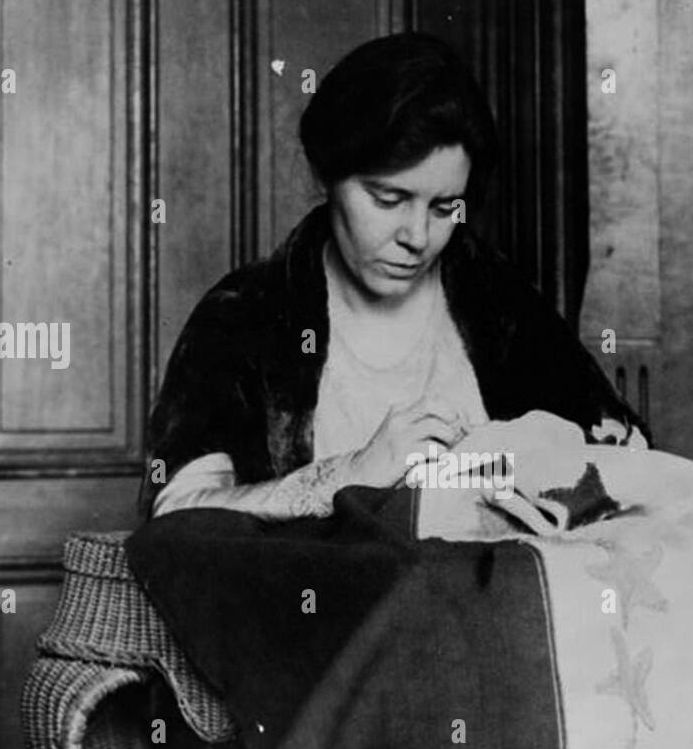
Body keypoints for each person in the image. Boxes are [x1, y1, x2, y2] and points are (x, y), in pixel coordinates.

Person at [141, 32, 646, 521]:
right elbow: (175, 513)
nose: (418, 236)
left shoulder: (500, 303)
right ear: (328, 176)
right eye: (388, 200)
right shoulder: (244, 314)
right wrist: (352, 475)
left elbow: (625, 457)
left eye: (446, 207)